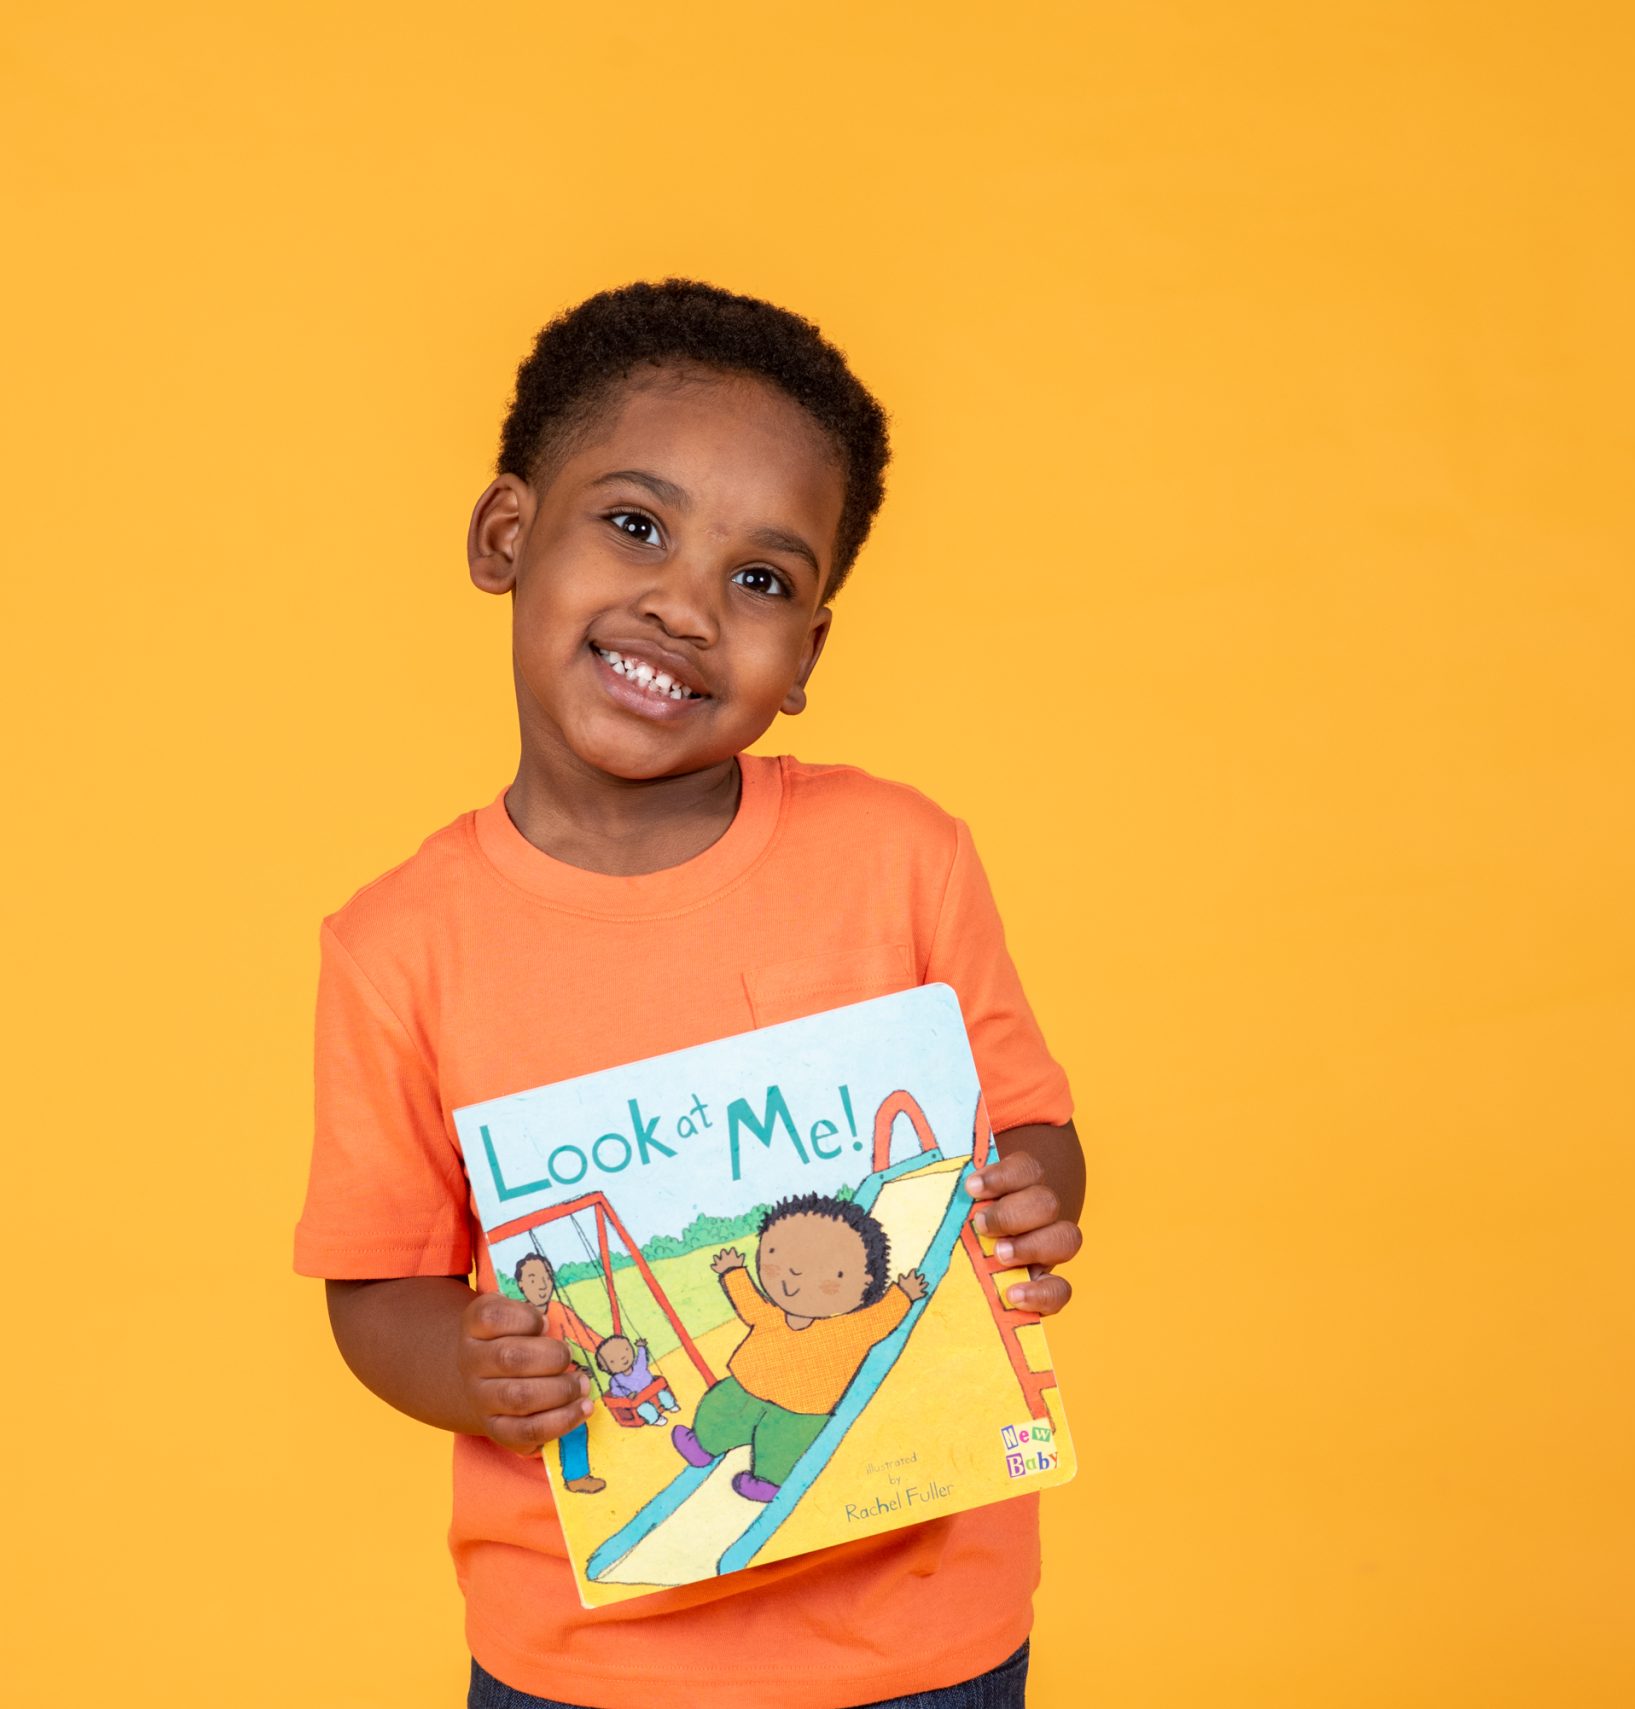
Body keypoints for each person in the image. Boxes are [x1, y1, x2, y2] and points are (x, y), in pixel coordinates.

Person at [293, 278, 1085, 1709]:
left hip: (924, 1633)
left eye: (763, 579)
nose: (685, 606)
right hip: (585, 1655)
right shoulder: (398, 945)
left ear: (808, 660)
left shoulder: (901, 856)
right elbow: (377, 1285)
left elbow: (1026, 1125)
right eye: (637, 525)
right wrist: (477, 1370)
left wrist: (1029, 1187)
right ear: (507, 535)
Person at [677, 1195, 927, 1503]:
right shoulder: (772, 1314)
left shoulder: (851, 1329)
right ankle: (702, 1443)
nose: (793, 1275)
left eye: (829, 1270)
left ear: (866, 1281)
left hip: (801, 1410)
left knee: (781, 1444)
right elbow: (750, 1303)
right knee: (719, 1408)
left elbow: (880, 1319)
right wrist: (733, 1273)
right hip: (746, 1388)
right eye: (774, 1253)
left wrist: (902, 1295)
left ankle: (766, 1481)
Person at [512, 1252, 608, 1493]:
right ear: (521, 1284)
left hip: (567, 1382)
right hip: (536, 1388)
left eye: (546, 1277)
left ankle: (576, 1476)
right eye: (533, 1279)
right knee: (570, 1426)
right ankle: (575, 1477)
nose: (542, 1285)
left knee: (576, 1424)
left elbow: (586, 1336)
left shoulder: (558, 1310)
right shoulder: (515, 1317)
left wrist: (608, 1349)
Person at [594, 1333, 679, 1427]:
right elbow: (616, 1391)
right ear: (605, 1368)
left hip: (653, 1392)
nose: (623, 1358)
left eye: (626, 1350)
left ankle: (671, 1405)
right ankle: (656, 1419)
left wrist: (641, 1347)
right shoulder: (615, 1380)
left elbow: (642, 1357)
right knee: (644, 1408)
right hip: (639, 1401)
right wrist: (627, 1394)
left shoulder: (639, 1365)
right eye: (613, 1361)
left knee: (663, 1395)